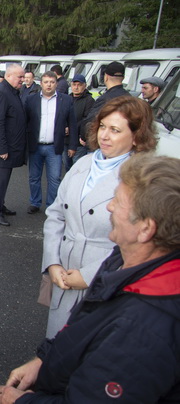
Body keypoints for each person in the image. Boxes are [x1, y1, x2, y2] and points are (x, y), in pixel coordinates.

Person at [0, 152, 180, 404]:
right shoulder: (125, 260)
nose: (109, 206)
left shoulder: (141, 333)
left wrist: (19, 401)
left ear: (146, 229)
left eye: (118, 200)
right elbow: (84, 327)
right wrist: (44, 359)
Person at [42, 95, 157, 338]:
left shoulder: (143, 179)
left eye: (115, 130)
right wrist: (52, 262)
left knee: (92, 354)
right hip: (63, 273)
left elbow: (140, 244)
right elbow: (55, 214)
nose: (104, 135)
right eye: (103, 126)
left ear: (137, 136)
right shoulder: (83, 163)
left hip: (106, 281)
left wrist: (89, 276)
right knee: (56, 349)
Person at [25, 71, 77, 214]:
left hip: (54, 147)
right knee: (34, 177)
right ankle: (35, 202)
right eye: (46, 82)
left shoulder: (65, 100)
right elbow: (24, 122)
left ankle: (51, 205)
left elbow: (72, 124)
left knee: (54, 178)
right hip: (35, 146)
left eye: (52, 82)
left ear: (56, 83)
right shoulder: (31, 100)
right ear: (41, 83)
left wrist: (72, 145)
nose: (49, 85)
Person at [0, 63, 26, 227]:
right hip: (4, 149)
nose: (22, 80)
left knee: (4, 181)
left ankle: (0, 206)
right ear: (9, 76)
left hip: (11, 147)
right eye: (20, 77)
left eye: (23, 77)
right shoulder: (2, 92)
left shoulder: (11, 91)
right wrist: (1, 148)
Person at [84, 61, 130, 126]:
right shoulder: (130, 98)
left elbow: (89, 124)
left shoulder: (104, 100)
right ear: (123, 78)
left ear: (106, 77)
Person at [70, 74, 95, 163]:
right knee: (66, 165)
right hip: (66, 140)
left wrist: (72, 128)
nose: (76, 87)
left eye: (79, 85)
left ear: (85, 86)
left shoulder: (89, 100)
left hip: (79, 140)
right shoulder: (67, 98)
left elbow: (87, 120)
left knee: (77, 166)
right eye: (74, 84)